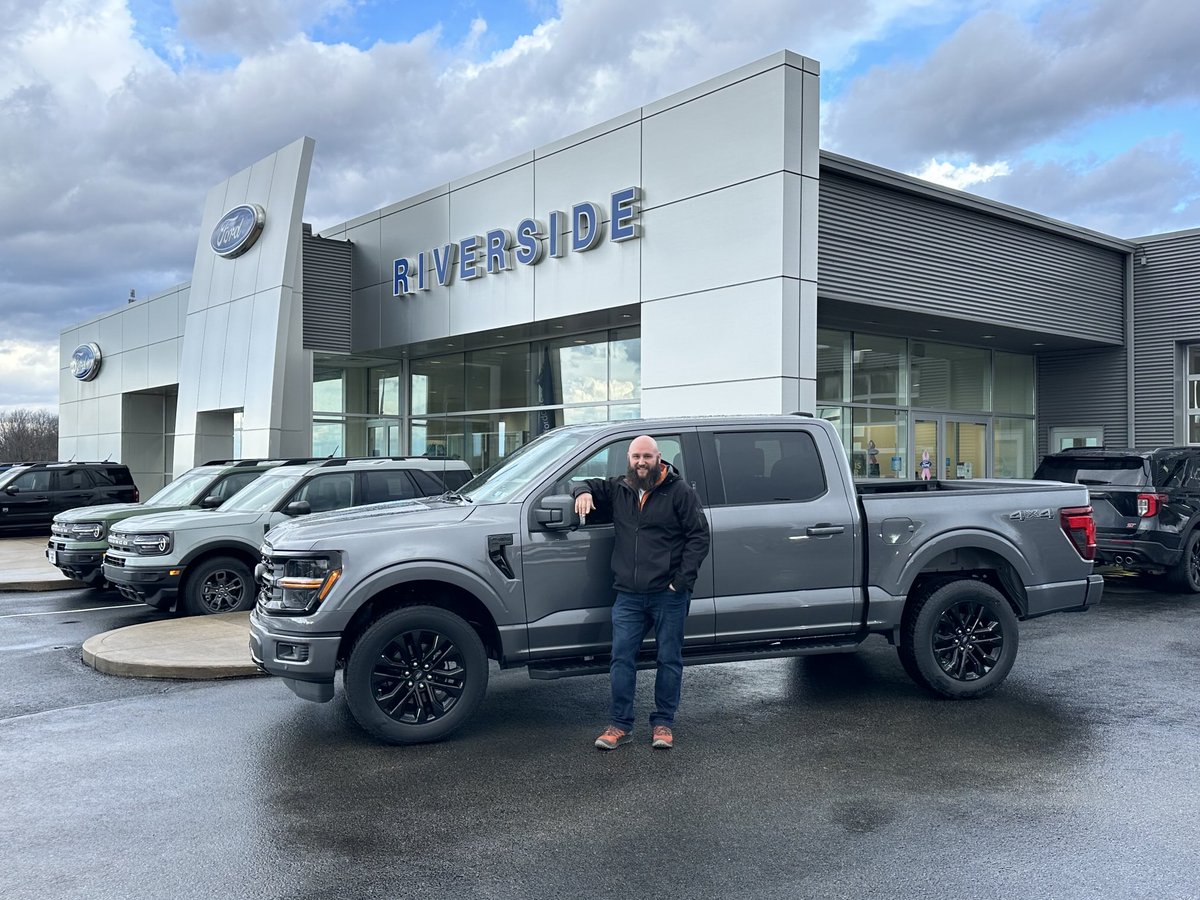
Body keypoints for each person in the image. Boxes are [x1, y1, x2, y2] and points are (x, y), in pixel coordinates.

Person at [573, 435, 711, 751]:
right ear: (629, 458)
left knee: (669, 659)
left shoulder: (679, 492)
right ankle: (620, 725)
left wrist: (681, 581)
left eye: (647, 456)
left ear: (658, 457)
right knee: (621, 658)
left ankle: (663, 723)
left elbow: (699, 537)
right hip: (629, 595)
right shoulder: (620, 488)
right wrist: (581, 493)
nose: (641, 462)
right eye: (636, 456)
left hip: (668, 594)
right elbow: (587, 483)